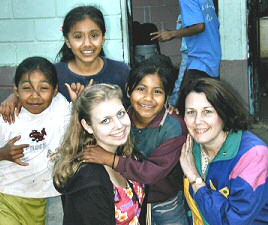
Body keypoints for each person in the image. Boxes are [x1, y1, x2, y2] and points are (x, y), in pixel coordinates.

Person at [79, 55, 189, 225]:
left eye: (158, 91)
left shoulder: (174, 127)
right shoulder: (122, 118)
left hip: (164, 205)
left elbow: (151, 172)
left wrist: (111, 159)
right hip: (131, 200)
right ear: (128, 90)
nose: (148, 98)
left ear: (167, 96)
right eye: (141, 89)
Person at [0, 5, 130, 123]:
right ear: (68, 42)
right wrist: (14, 97)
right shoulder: (55, 73)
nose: (87, 43)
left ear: (103, 39)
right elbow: (33, 91)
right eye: (78, 37)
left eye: (94, 35)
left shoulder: (121, 71)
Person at [0, 56, 72, 225]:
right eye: (27, 88)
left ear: (55, 90)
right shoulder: (8, 117)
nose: (35, 96)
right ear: (16, 90)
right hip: (2, 198)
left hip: (36, 201)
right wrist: (2, 153)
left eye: (43, 88)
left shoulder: (60, 106)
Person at [178, 78, 268, 224]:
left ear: (224, 113)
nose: (197, 121)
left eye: (207, 112)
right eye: (191, 112)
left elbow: (232, 221)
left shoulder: (253, 156)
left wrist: (195, 178)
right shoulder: (191, 147)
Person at [53, 84, 145, 225]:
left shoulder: (125, 152)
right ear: (87, 126)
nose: (119, 125)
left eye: (120, 114)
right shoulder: (89, 181)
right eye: (106, 120)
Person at [151, 0, 221, 88]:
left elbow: (199, 26)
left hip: (199, 62)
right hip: (212, 60)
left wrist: (171, 34)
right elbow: (212, 24)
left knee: (188, 97)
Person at [168, 14, 188, 110]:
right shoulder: (182, 16)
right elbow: (179, 33)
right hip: (187, 50)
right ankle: (172, 105)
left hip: (196, 51)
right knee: (181, 79)